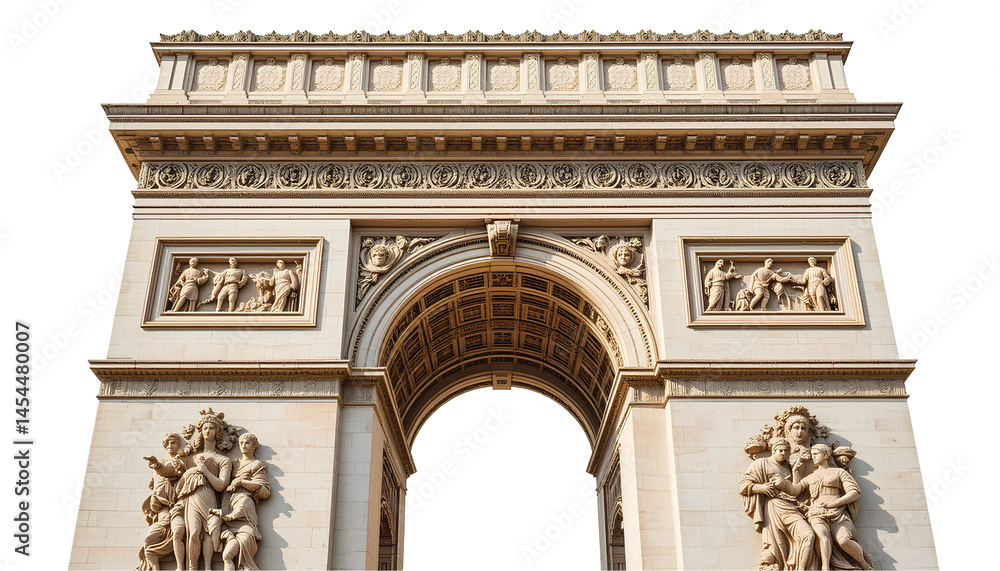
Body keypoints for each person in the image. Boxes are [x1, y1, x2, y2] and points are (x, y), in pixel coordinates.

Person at [776, 444, 874, 571]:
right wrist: (792, 475)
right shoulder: (810, 477)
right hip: (816, 513)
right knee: (822, 535)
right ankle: (825, 567)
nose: (813, 457)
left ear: (826, 455)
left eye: (816, 454)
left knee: (843, 540)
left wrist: (834, 503)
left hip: (838, 514)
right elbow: (795, 491)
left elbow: (855, 493)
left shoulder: (839, 472)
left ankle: (865, 564)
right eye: (812, 455)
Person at [739, 438, 815, 570]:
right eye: (780, 450)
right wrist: (761, 488)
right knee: (777, 544)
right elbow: (743, 485)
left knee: (808, 534)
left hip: (792, 507)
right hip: (773, 506)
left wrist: (796, 471)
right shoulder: (761, 463)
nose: (783, 453)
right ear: (773, 450)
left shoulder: (788, 467)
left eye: (786, 451)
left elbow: (795, 491)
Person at [175, 411, 233, 570]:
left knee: (208, 533)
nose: (208, 431)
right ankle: (192, 567)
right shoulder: (190, 458)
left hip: (209, 496)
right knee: (193, 532)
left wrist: (205, 471)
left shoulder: (223, 460)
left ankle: (208, 567)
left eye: (211, 428)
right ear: (200, 431)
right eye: (205, 428)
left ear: (218, 432)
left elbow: (221, 485)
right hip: (192, 497)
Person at [211, 433, 270, 571]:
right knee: (227, 555)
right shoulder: (234, 463)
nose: (243, 445)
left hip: (245, 513)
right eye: (241, 443)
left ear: (254, 446)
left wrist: (242, 482)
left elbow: (264, 491)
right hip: (230, 507)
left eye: (247, 443)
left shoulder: (256, 464)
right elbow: (224, 487)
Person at [138, 433, 187, 571]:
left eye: (173, 443)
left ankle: (180, 567)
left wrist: (158, 466)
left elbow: (168, 471)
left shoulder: (178, 462)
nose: (170, 446)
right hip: (161, 511)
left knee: (177, 532)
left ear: (178, 445)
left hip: (176, 508)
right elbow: (154, 485)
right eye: (167, 444)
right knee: (148, 540)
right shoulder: (159, 466)